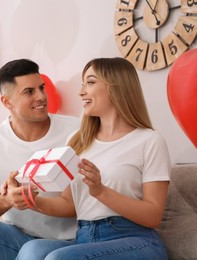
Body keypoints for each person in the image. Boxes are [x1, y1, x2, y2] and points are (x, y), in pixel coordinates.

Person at [10, 57, 171, 260]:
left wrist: (101, 191)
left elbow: (153, 216)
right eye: (83, 84)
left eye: (91, 82)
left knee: (57, 259)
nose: (81, 91)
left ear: (116, 86)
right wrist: (32, 201)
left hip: (135, 239)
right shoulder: (77, 141)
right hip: (85, 237)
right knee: (31, 251)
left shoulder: (149, 141)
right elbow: (69, 204)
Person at [0, 59, 80, 260]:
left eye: (42, 88)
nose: (41, 96)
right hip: (19, 235)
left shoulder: (75, 131)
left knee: (32, 252)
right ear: (7, 102)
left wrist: (31, 200)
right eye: (29, 92)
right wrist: (8, 199)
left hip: (68, 240)